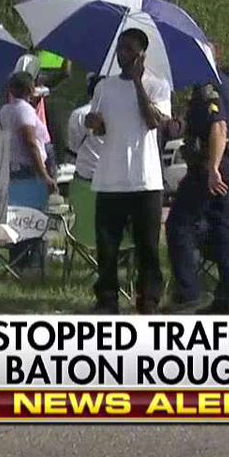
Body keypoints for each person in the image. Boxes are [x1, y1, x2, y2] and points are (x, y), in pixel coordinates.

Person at [84, 28, 172, 315]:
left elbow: (153, 122)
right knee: (107, 246)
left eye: (130, 49)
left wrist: (137, 83)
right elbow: (100, 129)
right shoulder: (104, 87)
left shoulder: (158, 86)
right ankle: (107, 299)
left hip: (145, 179)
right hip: (110, 178)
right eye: (120, 49)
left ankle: (148, 300)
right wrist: (93, 122)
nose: (123, 54)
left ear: (142, 54)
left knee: (147, 247)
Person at [165, 77, 229, 314]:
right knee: (225, 230)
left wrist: (213, 168)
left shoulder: (207, 87)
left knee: (178, 224)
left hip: (210, 167)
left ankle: (188, 293)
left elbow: (219, 126)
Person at [2, 71, 57, 269]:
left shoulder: (6, 110)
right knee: (34, 219)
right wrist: (44, 175)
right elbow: (30, 143)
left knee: (18, 219)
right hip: (29, 170)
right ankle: (32, 264)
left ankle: (18, 262)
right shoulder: (24, 110)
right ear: (29, 89)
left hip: (14, 169)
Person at [67, 74, 105, 183]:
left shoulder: (78, 114)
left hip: (83, 171)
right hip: (108, 175)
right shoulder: (114, 116)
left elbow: (73, 145)